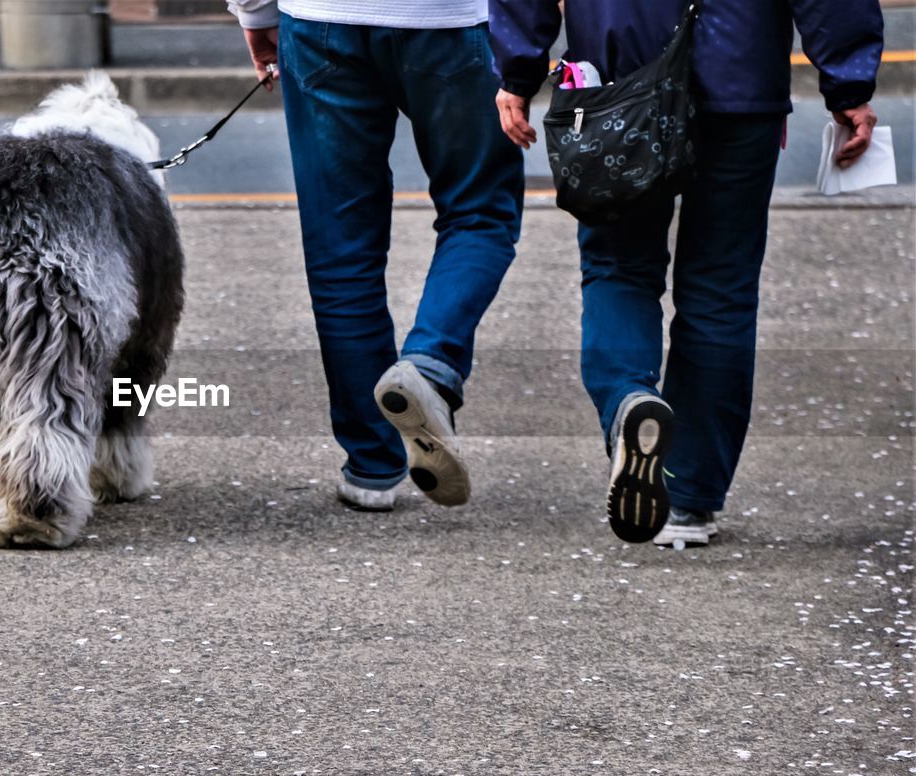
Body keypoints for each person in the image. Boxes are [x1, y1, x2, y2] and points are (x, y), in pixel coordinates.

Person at [488, 0, 884, 545]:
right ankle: (689, 500)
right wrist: (849, 84)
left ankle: (629, 398)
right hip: (740, 79)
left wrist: (518, 68)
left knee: (618, 266)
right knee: (721, 287)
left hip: (617, 75)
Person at [227, 0, 525, 510]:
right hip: (450, 22)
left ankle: (371, 466)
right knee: (479, 213)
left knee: (340, 248)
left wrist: (254, 13)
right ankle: (430, 364)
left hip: (322, 20)